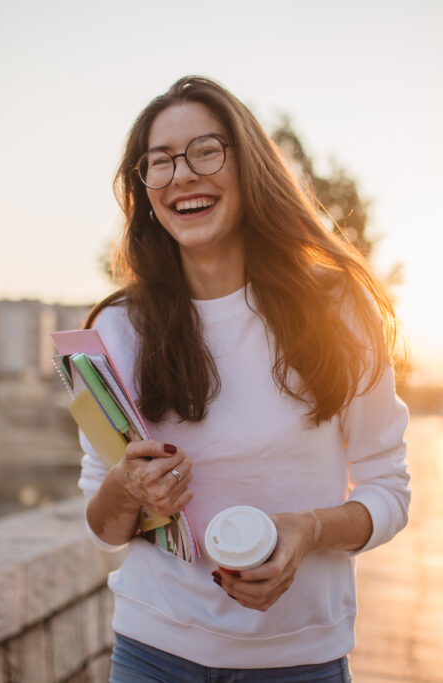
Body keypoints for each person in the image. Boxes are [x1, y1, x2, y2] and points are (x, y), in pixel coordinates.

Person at [78, 75, 410, 682]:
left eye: (205, 151)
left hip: (299, 662)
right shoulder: (117, 330)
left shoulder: (338, 309)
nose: (181, 175)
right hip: (151, 652)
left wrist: (307, 530)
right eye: (159, 164)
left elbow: (389, 491)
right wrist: (127, 488)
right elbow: (103, 529)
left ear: (249, 166)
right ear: (145, 190)